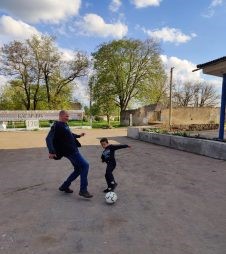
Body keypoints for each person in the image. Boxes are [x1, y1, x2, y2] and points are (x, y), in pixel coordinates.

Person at [46, 110, 93, 198]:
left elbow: (69, 134)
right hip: (71, 152)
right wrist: (51, 151)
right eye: (66, 116)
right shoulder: (57, 125)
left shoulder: (64, 125)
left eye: (68, 116)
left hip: (72, 150)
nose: (68, 118)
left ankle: (64, 186)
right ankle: (83, 190)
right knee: (85, 165)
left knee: (78, 169)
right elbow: (48, 138)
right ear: (60, 116)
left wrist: (79, 136)